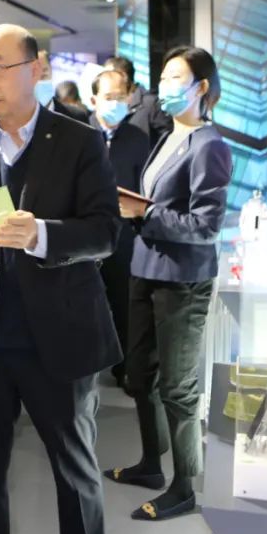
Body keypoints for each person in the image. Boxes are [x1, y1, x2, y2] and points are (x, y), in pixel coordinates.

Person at [0, 24, 122, 534]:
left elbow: (106, 231)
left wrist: (42, 234)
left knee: (75, 475)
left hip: (60, 337)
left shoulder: (80, 142)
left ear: (35, 69)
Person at [104, 46, 232, 522]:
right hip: (146, 268)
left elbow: (206, 226)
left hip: (183, 280)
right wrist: (140, 211)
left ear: (202, 87)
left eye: (176, 76)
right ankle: (150, 465)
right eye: (163, 76)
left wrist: (146, 212)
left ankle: (183, 487)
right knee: (140, 376)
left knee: (178, 388)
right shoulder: (167, 137)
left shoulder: (209, 145)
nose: (165, 85)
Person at [88, 69, 150, 390]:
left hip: (124, 235)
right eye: (109, 97)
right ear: (94, 100)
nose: (116, 103)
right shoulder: (77, 134)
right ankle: (84, 369)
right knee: (83, 303)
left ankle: (125, 368)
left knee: (125, 304)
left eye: (121, 96)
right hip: (83, 235)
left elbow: (144, 186)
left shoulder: (137, 138)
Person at [103, 56, 172, 146]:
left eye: (108, 75)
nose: (103, 80)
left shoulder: (150, 104)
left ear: (124, 76)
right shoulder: (108, 106)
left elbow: (167, 139)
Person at [35, 57, 90, 124]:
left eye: (44, 73)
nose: (38, 79)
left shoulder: (77, 117)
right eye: (32, 73)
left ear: (51, 71)